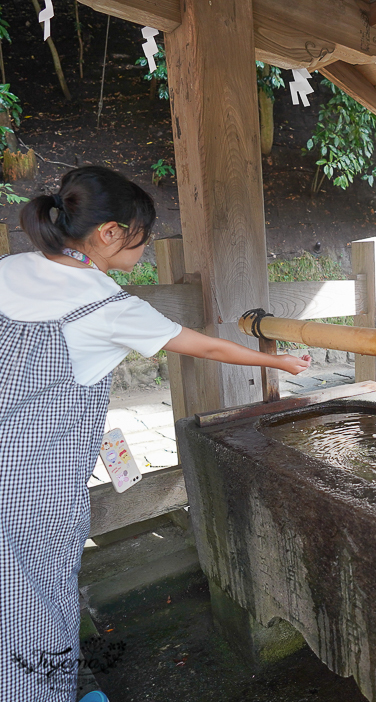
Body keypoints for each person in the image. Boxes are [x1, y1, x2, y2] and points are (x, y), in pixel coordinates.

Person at [0, 166, 310, 701]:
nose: (144, 246)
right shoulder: (105, 305)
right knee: (37, 596)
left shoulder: (13, 268)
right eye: (141, 233)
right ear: (111, 233)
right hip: (34, 478)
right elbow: (204, 345)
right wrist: (278, 359)